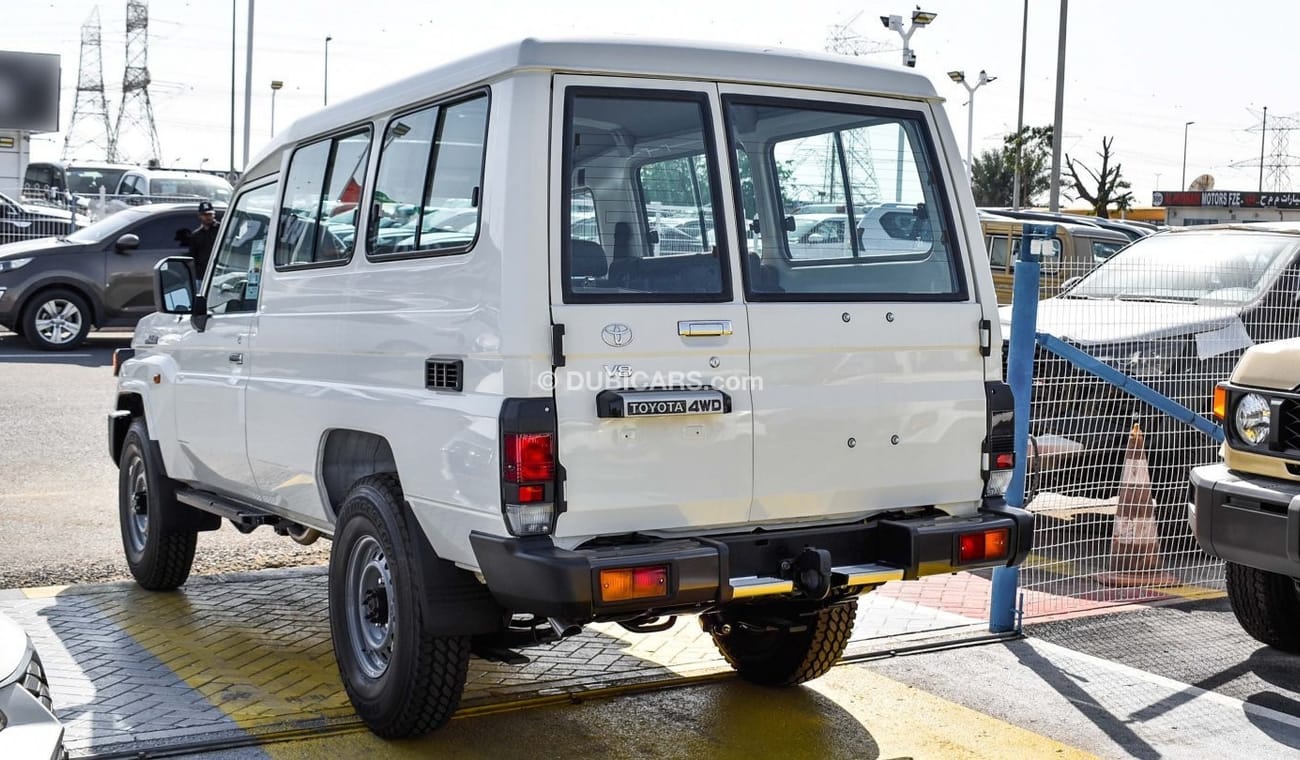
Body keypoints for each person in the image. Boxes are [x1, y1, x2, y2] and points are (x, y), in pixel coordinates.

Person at [188, 200, 220, 281]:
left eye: (210, 214)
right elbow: (193, 257)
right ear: (199, 216)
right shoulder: (196, 235)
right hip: (202, 276)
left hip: (219, 273)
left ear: (214, 214)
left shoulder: (222, 229)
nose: (208, 217)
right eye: (205, 215)